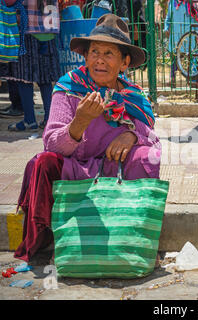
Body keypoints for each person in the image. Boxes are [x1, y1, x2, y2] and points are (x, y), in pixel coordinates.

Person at [14, 13, 161, 262]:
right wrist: (79, 122)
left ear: (124, 64)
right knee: (43, 162)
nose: (99, 60)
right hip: (74, 168)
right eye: (94, 52)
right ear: (85, 57)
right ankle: (48, 238)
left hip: (112, 170)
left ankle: (134, 236)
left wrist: (131, 136)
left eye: (108, 54)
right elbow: (51, 141)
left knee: (147, 155)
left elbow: (152, 136)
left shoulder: (132, 95)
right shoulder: (69, 88)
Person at [0, 0, 62, 131]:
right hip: (49, 32)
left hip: (29, 32)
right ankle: (49, 120)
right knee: (45, 79)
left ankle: (29, 120)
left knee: (24, 78)